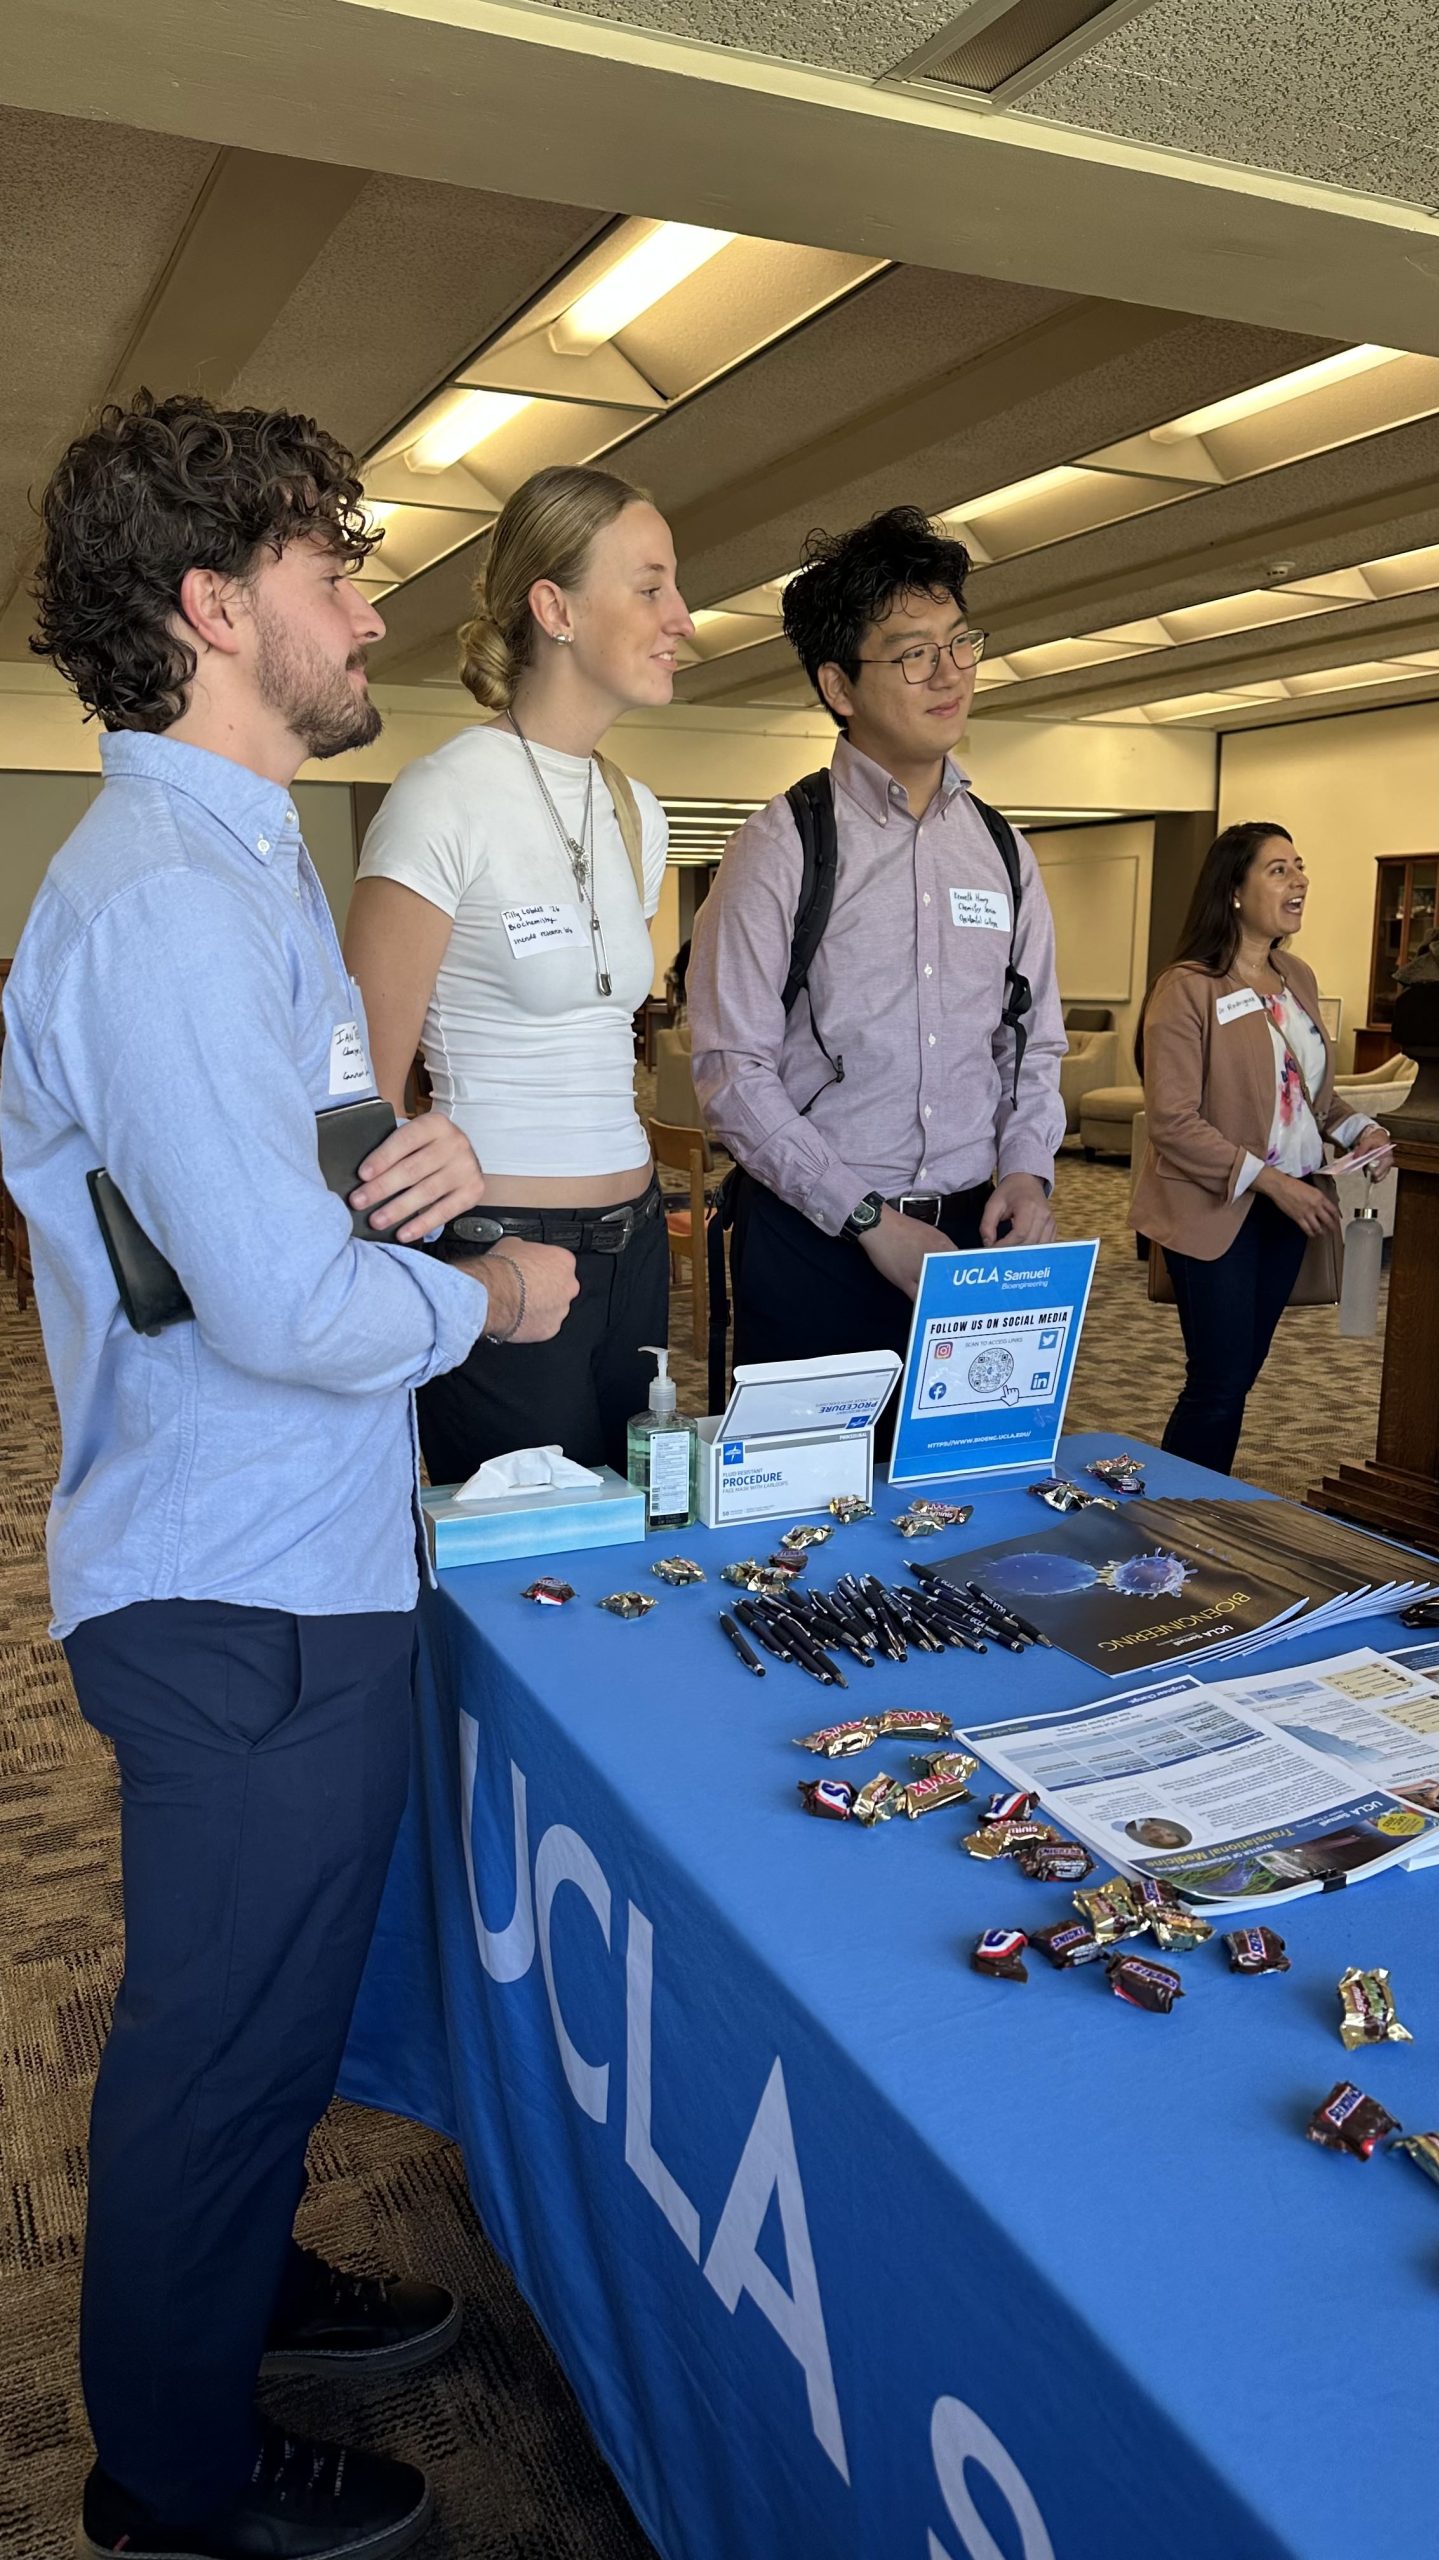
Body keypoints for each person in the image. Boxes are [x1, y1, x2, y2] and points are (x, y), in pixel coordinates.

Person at [0, 390, 577, 2560]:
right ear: (215, 608)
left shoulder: (245, 861)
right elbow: (267, 1298)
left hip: (303, 1548)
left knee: (278, 2009)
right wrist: (485, 1290)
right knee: (218, 2041)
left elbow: (310, 1169)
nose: (370, 614)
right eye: (335, 574)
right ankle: (168, 2475)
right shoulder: (159, 899)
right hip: (226, 1574)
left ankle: (237, 2288)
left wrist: (414, 1163)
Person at [345, 464, 691, 1483]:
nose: (681, 615)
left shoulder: (638, 811)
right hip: (500, 1248)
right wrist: (442, 1273)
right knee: (530, 1555)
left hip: (637, 1240)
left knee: (635, 1527)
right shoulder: (443, 798)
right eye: (651, 586)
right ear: (556, 608)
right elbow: (359, 1096)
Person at [688, 506, 1066, 1405]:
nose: (950, 672)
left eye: (959, 642)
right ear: (840, 686)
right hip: (819, 1240)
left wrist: (1028, 1168)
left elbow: (1030, 1044)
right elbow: (731, 1072)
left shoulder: (1003, 850)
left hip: (971, 1239)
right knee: (810, 1492)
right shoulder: (783, 845)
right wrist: (866, 1219)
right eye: (913, 654)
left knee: (966, 1477)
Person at [1132, 820, 1393, 1475]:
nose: (1299, 880)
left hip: (1288, 1210)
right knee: (1218, 1383)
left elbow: (1312, 1099)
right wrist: (1271, 1180)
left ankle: (1198, 1502)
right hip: (1214, 1211)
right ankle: (1178, 1511)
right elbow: (1172, 1120)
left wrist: (1361, 1131)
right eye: (1279, 869)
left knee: (1239, 1375)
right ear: (1234, 891)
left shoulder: (1295, 976)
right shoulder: (1188, 986)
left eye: (1300, 866)